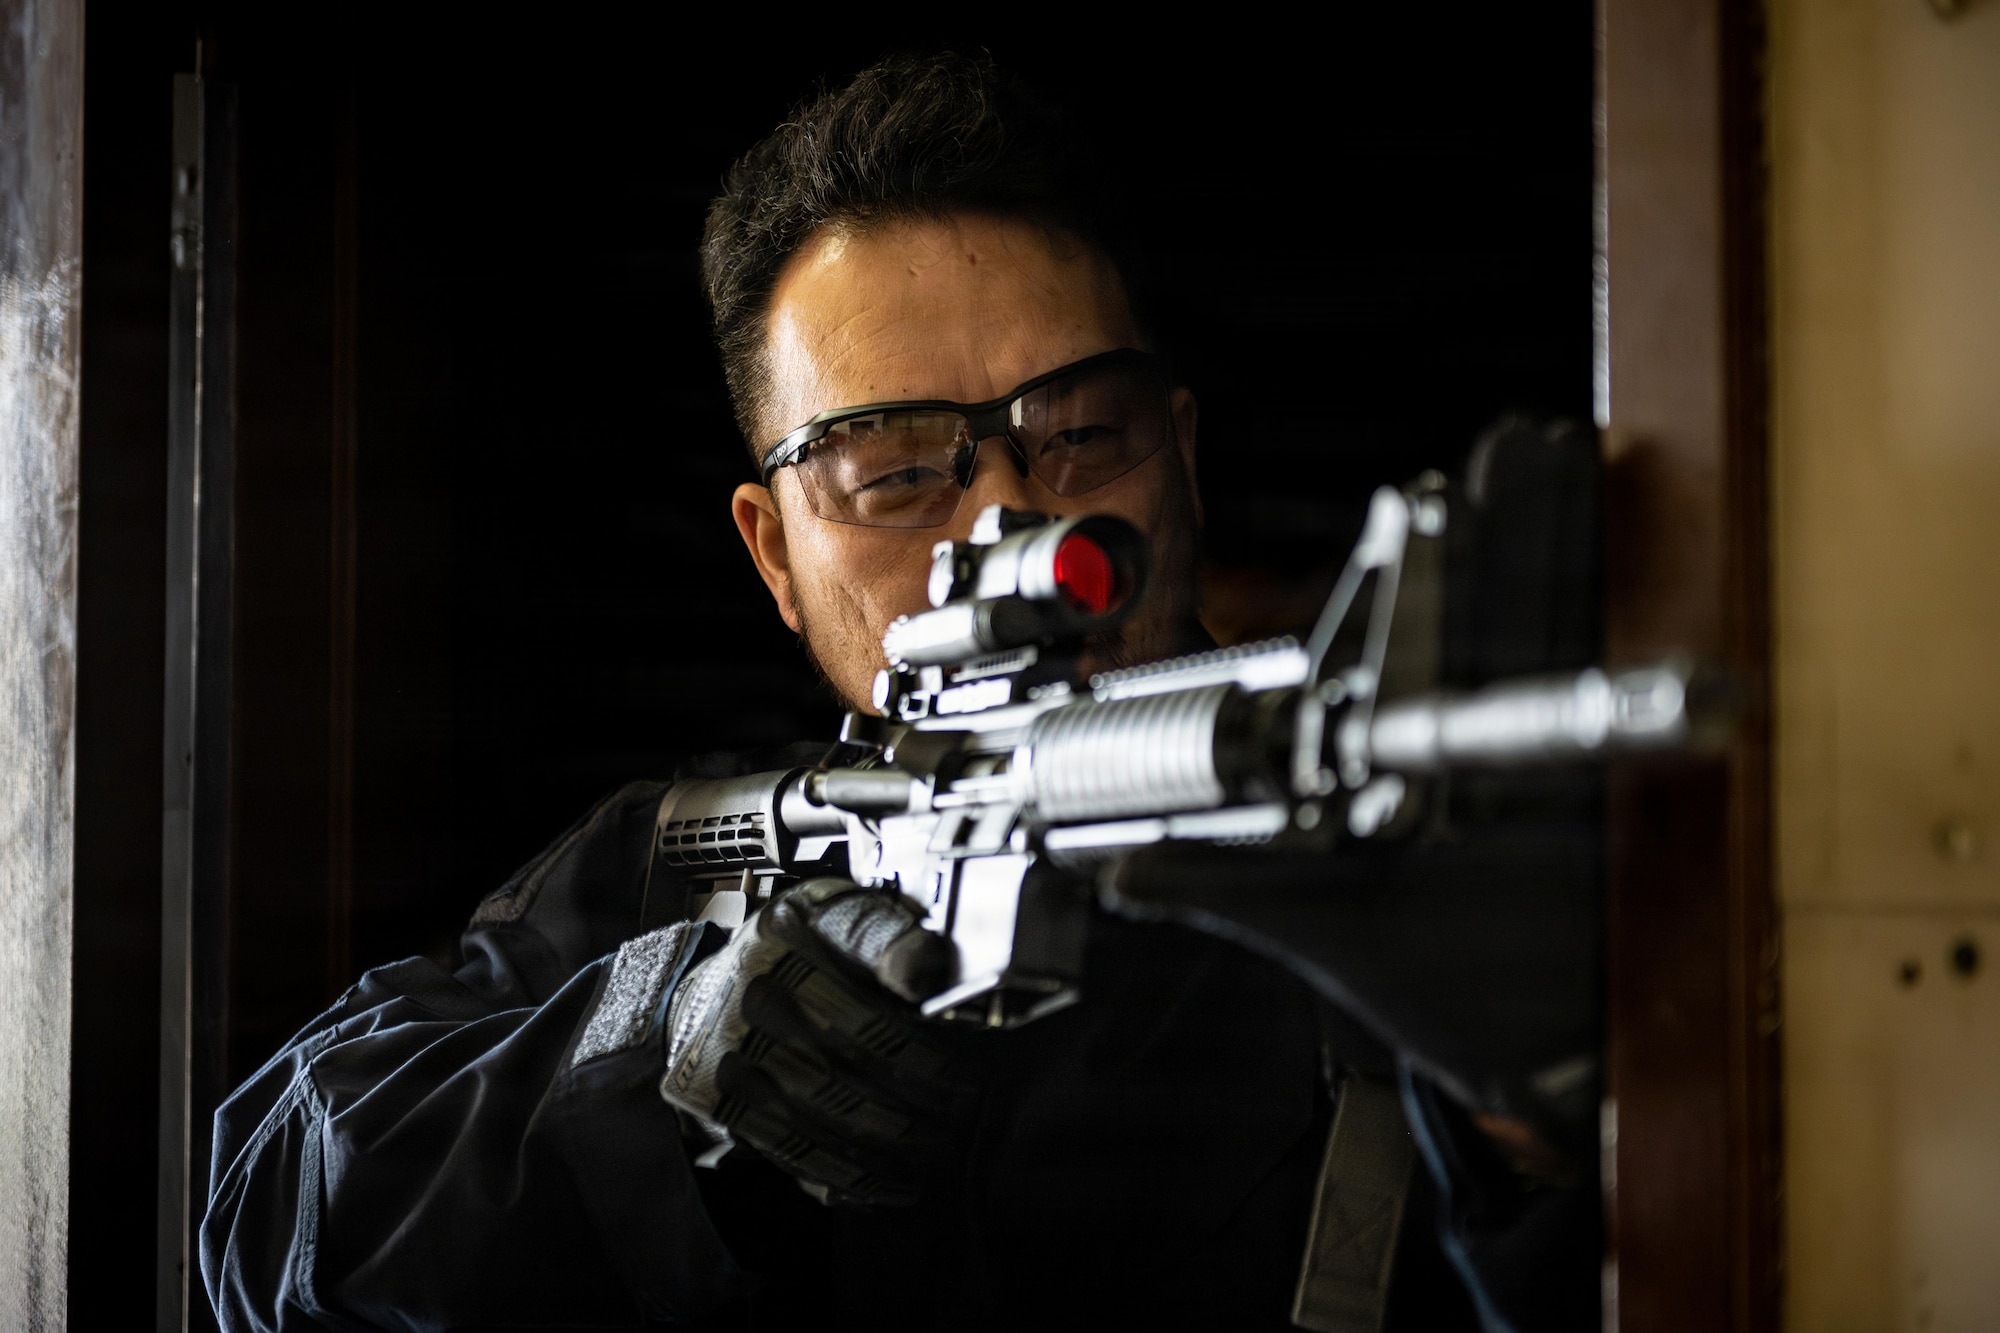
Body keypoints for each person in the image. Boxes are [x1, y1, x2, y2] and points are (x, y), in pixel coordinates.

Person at [202, 53, 1589, 1332]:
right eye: (896, 470)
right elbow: (265, 1213)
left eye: (1082, 435)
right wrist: (675, 1070)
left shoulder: (1395, 839)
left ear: (1180, 462)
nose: (1007, 510)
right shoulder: (701, 863)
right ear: (775, 556)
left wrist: (1533, 1125)